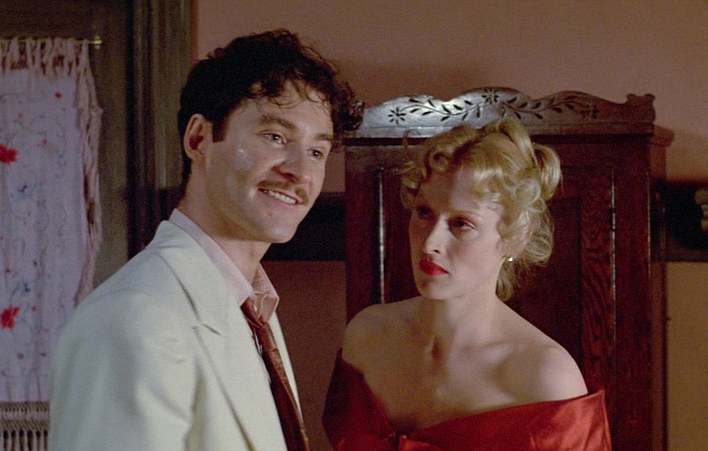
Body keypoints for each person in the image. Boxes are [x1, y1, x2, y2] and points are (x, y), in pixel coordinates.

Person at [49, 29, 357, 451]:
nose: (301, 172)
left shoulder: (253, 308)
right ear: (198, 139)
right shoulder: (135, 320)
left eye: (317, 152)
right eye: (275, 137)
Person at [322, 117, 612, 450]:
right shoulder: (368, 335)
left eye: (461, 224)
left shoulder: (545, 377)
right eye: (424, 212)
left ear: (516, 238)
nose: (431, 242)